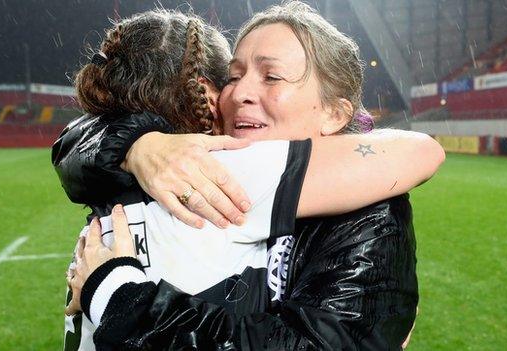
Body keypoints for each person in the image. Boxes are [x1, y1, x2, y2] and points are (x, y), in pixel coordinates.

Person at [54, 2, 444, 350]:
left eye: (271, 77)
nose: (241, 92)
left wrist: (119, 299)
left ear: (334, 113)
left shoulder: (370, 210)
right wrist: (139, 146)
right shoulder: (200, 168)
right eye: (234, 76)